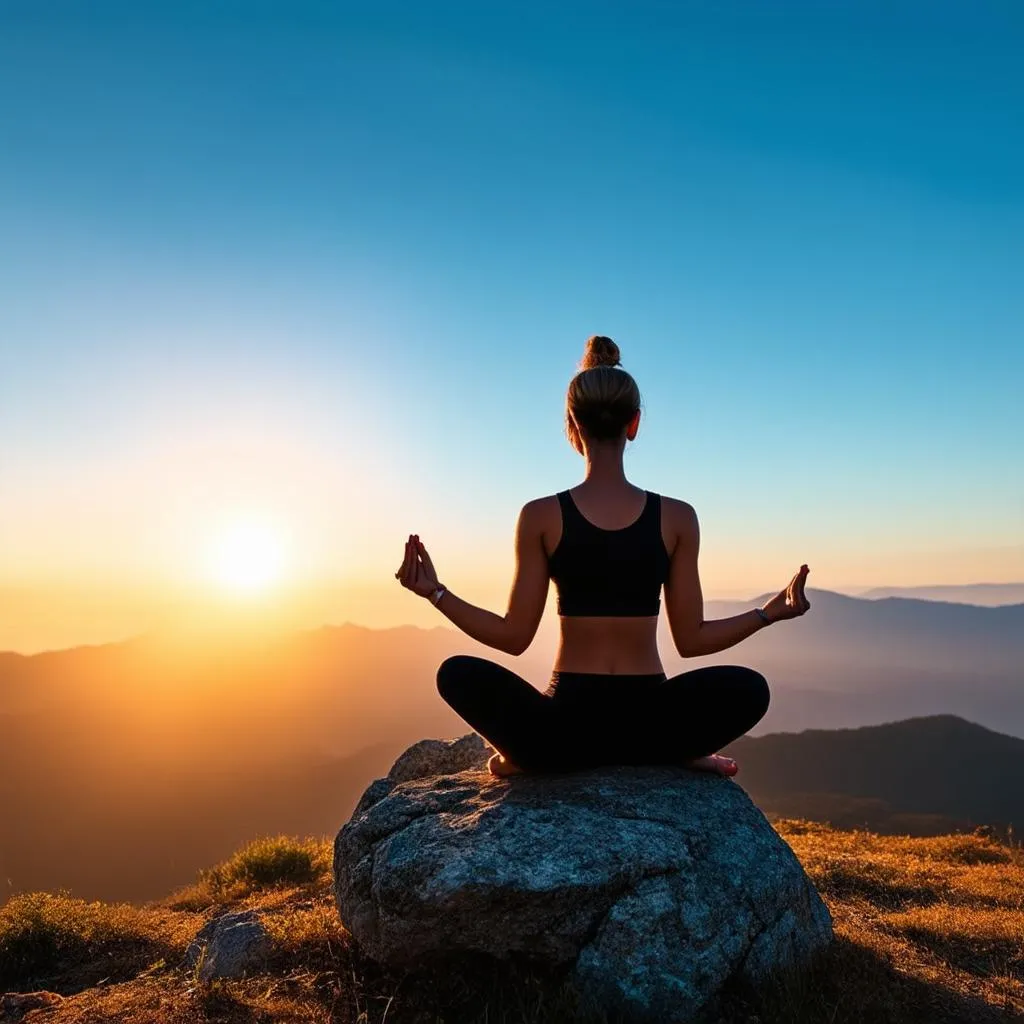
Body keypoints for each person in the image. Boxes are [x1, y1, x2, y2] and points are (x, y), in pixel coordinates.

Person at [394, 336, 810, 778]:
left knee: (456, 674)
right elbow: (693, 640)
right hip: (651, 722)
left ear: (573, 425)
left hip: (565, 728)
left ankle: (534, 757)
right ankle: (673, 752)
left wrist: (436, 593)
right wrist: (767, 614)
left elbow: (513, 636)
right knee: (750, 690)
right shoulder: (677, 518)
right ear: (634, 424)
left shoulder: (540, 516)